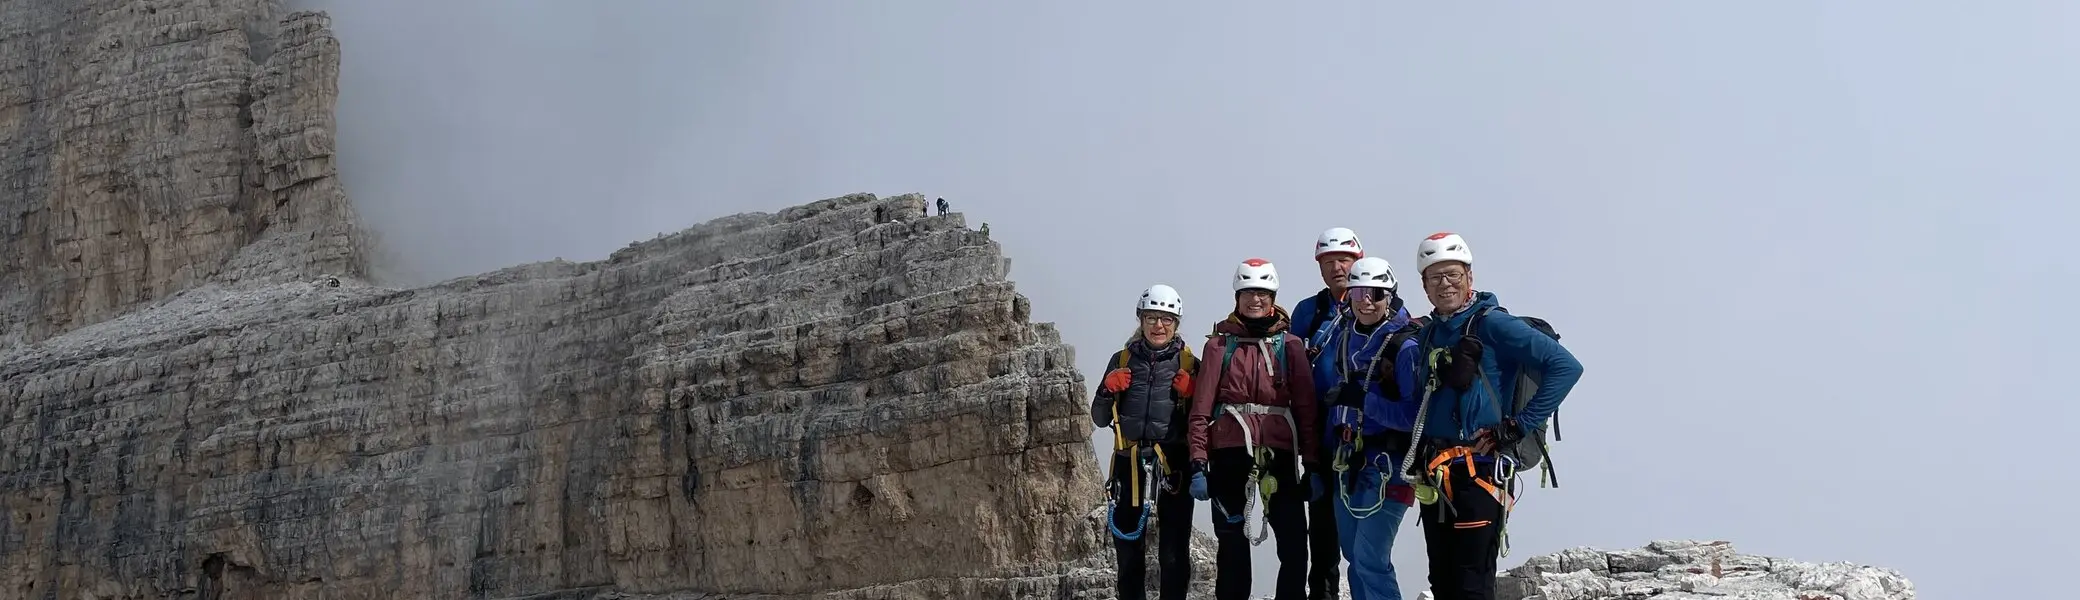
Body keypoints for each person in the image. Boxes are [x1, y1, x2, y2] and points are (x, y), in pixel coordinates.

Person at [1401, 232, 1584, 600]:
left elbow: (1565, 367)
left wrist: (1517, 427)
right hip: (1436, 472)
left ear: (1470, 276)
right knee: (1443, 582)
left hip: (1480, 471)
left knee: (1472, 583)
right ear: (1423, 285)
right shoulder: (1430, 334)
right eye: (1434, 277)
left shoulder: (1492, 324)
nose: (1444, 284)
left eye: (1452, 274)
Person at [1186, 258, 1323, 600]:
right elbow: (1201, 408)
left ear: (1273, 297)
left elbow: (1306, 409)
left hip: (1279, 451)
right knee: (1231, 542)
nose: (1255, 300)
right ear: (1237, 297)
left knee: (1293, 543)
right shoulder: (1218, 345)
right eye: (1248, 293)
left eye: (1262, 293)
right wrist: (1198, 463)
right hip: (1230, 450)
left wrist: (1314, 464)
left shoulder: (1290, 346)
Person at [1312, 256, 1423, 600]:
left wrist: (1363, 401)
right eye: (1358, 292)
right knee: (1353, 557)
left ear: (1390, 296)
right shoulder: (1345, 337)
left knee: (1370, 559)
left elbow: (1414, 417)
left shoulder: (1405, 347)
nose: (1366, 301)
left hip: (1389, 465)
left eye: (1375, 293)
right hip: (1347, 461)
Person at [1092, 284, 1200, 600]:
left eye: (1166, 319)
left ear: (1176, 323)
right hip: (1129, 464)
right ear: (1140, 319)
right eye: (1152, 317)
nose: (1158, 326)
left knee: (1173, 553)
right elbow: (1099, 418)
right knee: (1127, 554)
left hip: (1173, 464)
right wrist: (1106, 390)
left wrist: (1193, 394)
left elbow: (1204, 419)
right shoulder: (1122, 359)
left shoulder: (1189, 364)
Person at [1288, 227, 1364, 599]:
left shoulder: (1381, 303)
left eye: (1344, 259)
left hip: (1366, 437)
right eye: (1329, 261)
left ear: (1358, 261)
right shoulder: (1309, 311)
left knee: (1364, 534)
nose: (1337, 267)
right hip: (1321, 436)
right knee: (1322, 533)